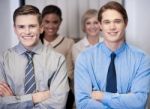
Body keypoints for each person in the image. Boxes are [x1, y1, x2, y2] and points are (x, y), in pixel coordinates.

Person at [74, 1, 150, 109]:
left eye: (117, 21)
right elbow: (83, 103)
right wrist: (125, 100)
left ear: (126, 23)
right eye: (107, 22)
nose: (112, 27)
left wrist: (103, 96)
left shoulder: (142, 59)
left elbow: (139, 102)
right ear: (100, 25)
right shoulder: (84, 58)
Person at [0, 5, 69, 109]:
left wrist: (13, 102)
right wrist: (33, 98)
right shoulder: (3, 60)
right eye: (21, 27)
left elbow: (58, 104)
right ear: (15, 29)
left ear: (41, 28)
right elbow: (1, 103)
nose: (27, 32)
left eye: (32, 26)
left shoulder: (58, 60)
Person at [40, 5, 75, 109]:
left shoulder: (68, 43)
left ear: (60, 22)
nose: (51, 26)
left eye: (55, 22)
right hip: (38, 91)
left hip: (61, 91)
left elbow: (69, 73)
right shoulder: (35, 41)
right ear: (41, 21)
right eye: (47, 21)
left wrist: (53, 91)